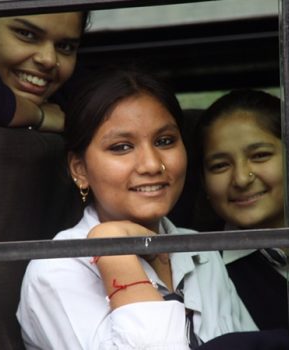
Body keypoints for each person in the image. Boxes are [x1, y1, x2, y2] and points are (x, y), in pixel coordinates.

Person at [16, 68, 258, 350]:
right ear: (79, 169)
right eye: (121, 147)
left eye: (165, 141)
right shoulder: (56, 270)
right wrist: (113, 249)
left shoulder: (200, 252)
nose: (152, 164)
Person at [193, 89, 289, 332]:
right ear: (203, 181)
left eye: (260, 155)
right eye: (220, 165)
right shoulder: (202, 270)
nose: (241, 179)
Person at [0, 11, 89, 132]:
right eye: (26, 34)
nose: (49, 60)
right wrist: (38, 115)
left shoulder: (76, 104)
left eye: (65, 47)